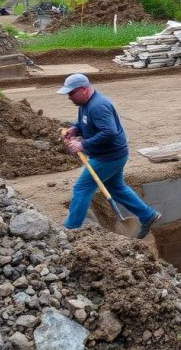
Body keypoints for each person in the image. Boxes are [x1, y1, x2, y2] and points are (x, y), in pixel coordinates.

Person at [58, 73, 161, 238]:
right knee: (116, 187)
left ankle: (71, 229)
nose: (69, 97)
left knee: (82, 187)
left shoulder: (98, 106)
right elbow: (86, 122)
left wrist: (82, 144)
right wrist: (75, 129)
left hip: (108, 157)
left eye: (71, 93)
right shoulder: (85, 104)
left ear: (84, 89)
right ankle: (148, 215)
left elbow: (109, 132)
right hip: (112, 155)